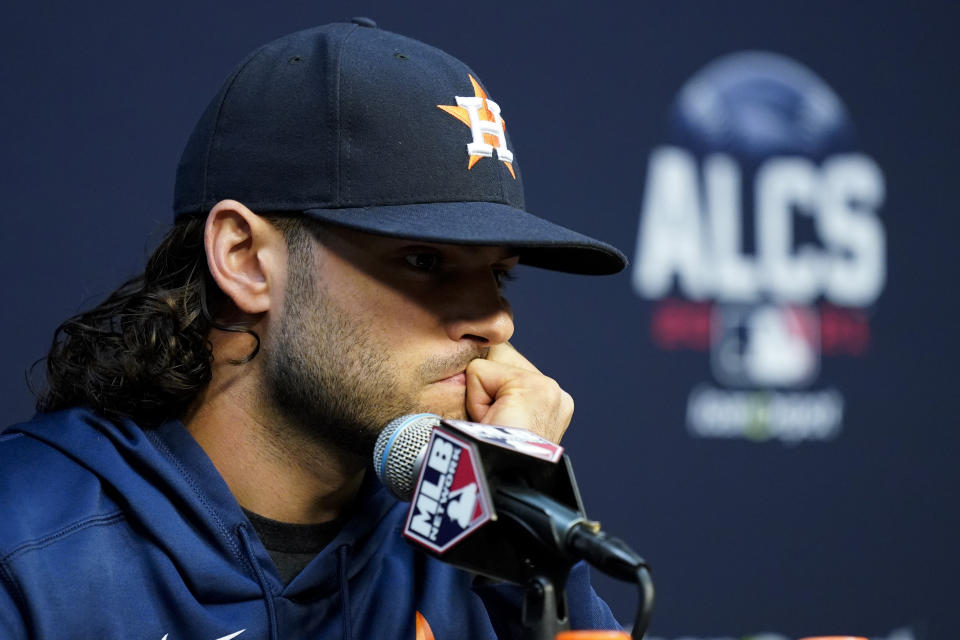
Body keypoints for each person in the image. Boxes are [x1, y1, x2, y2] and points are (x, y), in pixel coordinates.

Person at [0, 20, 627, 640]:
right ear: (245, 259)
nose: (497, 320)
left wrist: (522, 532)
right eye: (424, 261)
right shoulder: (26, 545)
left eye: (499, 276)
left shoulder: (472, 541)